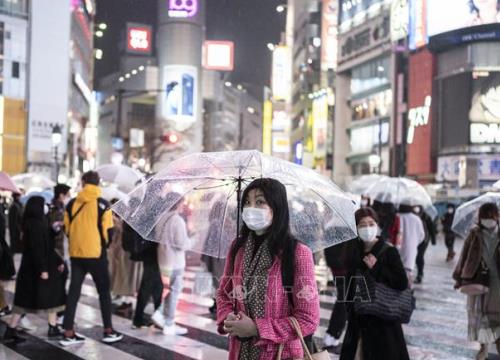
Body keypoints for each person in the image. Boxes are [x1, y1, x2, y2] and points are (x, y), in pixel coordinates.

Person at [216, 178, 320, 359]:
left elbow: (308, 319)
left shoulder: (297, 252)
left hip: (281, 354)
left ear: (277, 207)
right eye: (247, 202)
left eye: (260, 202)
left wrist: (256, 328)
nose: (251, 208)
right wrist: (228, 318)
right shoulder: (238, 248)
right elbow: (224, 293)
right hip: (241, 353)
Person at [60, 171, 123, 346]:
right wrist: (102, 245)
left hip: (76, 254)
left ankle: (68, 331)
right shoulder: (103, 205)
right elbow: (108, 232)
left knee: (74, 291)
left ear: (83, 182)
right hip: (96, 255)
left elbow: (67, 229)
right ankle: (108, 330)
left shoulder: (71, 203)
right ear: (98, 184)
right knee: (104, 293)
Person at [340, 207, 409, 360]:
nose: (367, 228)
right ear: (356, 228)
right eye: (362, 225)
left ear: (377, 225)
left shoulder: (389, 251)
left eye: (371, 223)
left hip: (383, 321)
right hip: (358, 321)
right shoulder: (353, 251)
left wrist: (377, 268)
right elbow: (349, 285)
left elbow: (401, 283)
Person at [3, 196, 66, 343]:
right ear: (37, 207)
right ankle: (13, 330)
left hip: (35, 268)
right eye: (44, 204)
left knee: (32, 299)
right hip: (36, 269)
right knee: (39, 298)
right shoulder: (34, 225)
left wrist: (53, 230)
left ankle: (51, 326)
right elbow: (37, 249)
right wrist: (43, 270)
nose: (46, 207)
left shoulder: (36, 223)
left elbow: (46, 244)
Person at [453, 202, 500, 360]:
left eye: (491, 216)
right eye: (485, 216)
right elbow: (464, 256)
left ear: (497, 216)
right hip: (478, 280)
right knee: (480, 315)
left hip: (497, 282)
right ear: (480, 218)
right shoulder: (474, 233)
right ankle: (483, 347)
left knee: (497, 316)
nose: (488, 219)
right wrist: (459, 278)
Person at [151, 193, 194, 335]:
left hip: (162, 260)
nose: (183, 206)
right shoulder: (177, 220)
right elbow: (181, 244)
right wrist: (193, 239)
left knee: (169, 289)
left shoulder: (161, 218)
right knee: (174, 291)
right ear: (176, 204)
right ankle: (168, 323)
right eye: (181, 203)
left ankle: (161, 315)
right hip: (175, 262)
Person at [108, 198, 142, 314]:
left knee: (127, 278)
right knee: (127, 278)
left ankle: (127, 303)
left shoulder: (130, 218)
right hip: (130, 253)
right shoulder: (133, 218)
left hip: (128, 253)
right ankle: (126, 302)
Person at [323, 238, 357, 353]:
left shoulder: (334, 228)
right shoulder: (344, 232)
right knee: (344, 303)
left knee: (343, 302)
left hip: (338, 267)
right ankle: (331, 338)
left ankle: (332, 337)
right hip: (343, 269)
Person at [130, 221, 162, 329]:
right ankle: (138, 318)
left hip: (150, 253)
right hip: (151, 253)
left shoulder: (150, 215)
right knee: (148, 285)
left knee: (157, 286)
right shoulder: (153, 217)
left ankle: (158, 316)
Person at [398, 203, 425, 285]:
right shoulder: (417, 219)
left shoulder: (396, 217)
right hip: (411, 250)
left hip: (396, 249)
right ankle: (408, 292)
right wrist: (414, 243)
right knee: (408, 272)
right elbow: (422, 236)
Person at [414, 205, 437, 284]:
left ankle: (420, 274)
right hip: (414, 240)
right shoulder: (412, 215)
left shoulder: (426, 217)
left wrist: (433, 240)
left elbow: (431, 229)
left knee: (419, 256)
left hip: (424, 240)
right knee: (414, 257)